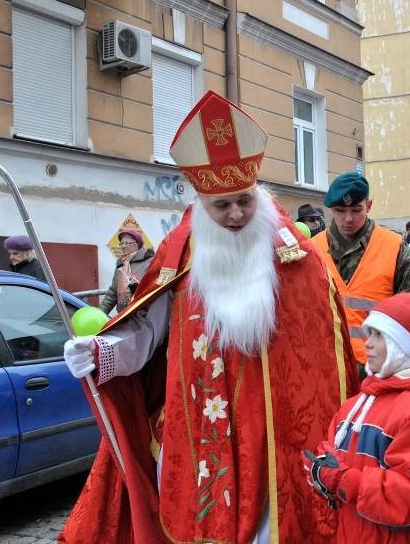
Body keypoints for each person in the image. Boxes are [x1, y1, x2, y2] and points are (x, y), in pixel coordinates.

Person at [60, 91, 359, 544]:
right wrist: (100, 351)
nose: (237, 214)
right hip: (200, 425)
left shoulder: (295, 258)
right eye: (222, 205)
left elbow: (322, 356)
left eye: (244, 200)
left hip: (276, 434)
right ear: (202, 202)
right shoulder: (179, 253)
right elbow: (146, 332)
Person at [302, 292, 410, 543]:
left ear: (404, 347)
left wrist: (344, 480)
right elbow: (334, 448)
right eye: (370, 334)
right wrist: (322, 467)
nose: (367, 343)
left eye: (379, 335)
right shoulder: (356, 404)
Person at [311, 172, 410, 373]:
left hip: (378, 367)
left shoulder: (394, 246)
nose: (348, 219)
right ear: (330, 209)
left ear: (369, 206)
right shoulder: (313, 249)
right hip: (325, 367)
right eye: (340, 210)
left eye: (356, 210)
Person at [99, 229, 155, 315]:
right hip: (123, 315)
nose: (123, 246)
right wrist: (99, 313)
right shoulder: (120, 265)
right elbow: (112, 293)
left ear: (136, 246)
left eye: (127, 243)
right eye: (121, 243)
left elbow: (151, 289)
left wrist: (131, 280)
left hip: (143, 314)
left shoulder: (149, 262)